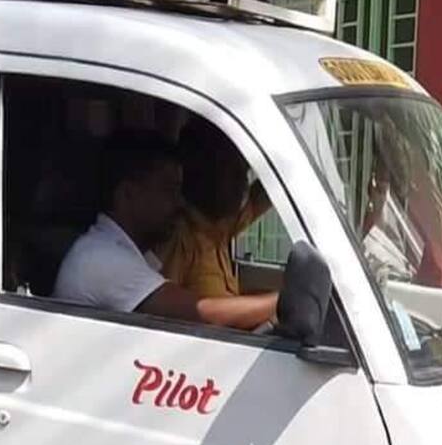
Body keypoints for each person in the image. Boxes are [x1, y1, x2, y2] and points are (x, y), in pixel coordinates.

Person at [54, 130, 277, 332]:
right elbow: (202, 314)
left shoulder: (124, 251)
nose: (180, 202)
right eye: (169, 190)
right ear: (128, 194)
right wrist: (282, 302)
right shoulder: (103, 258)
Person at [160, 117, 270, 301]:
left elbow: (264, 194)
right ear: (204, 174)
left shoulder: (222, 226)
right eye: (234, 174)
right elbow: (163, 309)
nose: (243, 184)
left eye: (244, 174)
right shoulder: (178, 239)